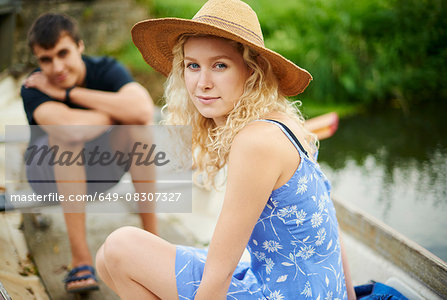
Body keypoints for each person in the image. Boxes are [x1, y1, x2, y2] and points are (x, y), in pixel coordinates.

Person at [96, 0, 356, 299]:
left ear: (252, 72)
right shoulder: (284, 122)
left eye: (220, 65)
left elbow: (220, 274)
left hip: (284, 293)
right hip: (304, 287)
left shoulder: (256, 142)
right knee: (106, 260)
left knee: (120, 246)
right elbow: (335, 232)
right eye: (192, 65)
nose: (202, 83)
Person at [21, 13, 157, 294]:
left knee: (139, 129)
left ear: (80, 46)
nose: (56, 67)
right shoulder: (34, 85)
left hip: (99, 173)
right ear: (38, 61)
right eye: (46, 59)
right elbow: (71, 130)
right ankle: (80, 260)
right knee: (64, 139)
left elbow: (143, 111)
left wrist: (69, 95)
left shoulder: (104, 69)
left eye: (63, 53)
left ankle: (153, 240)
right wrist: (116, 112)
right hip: (47, 180)